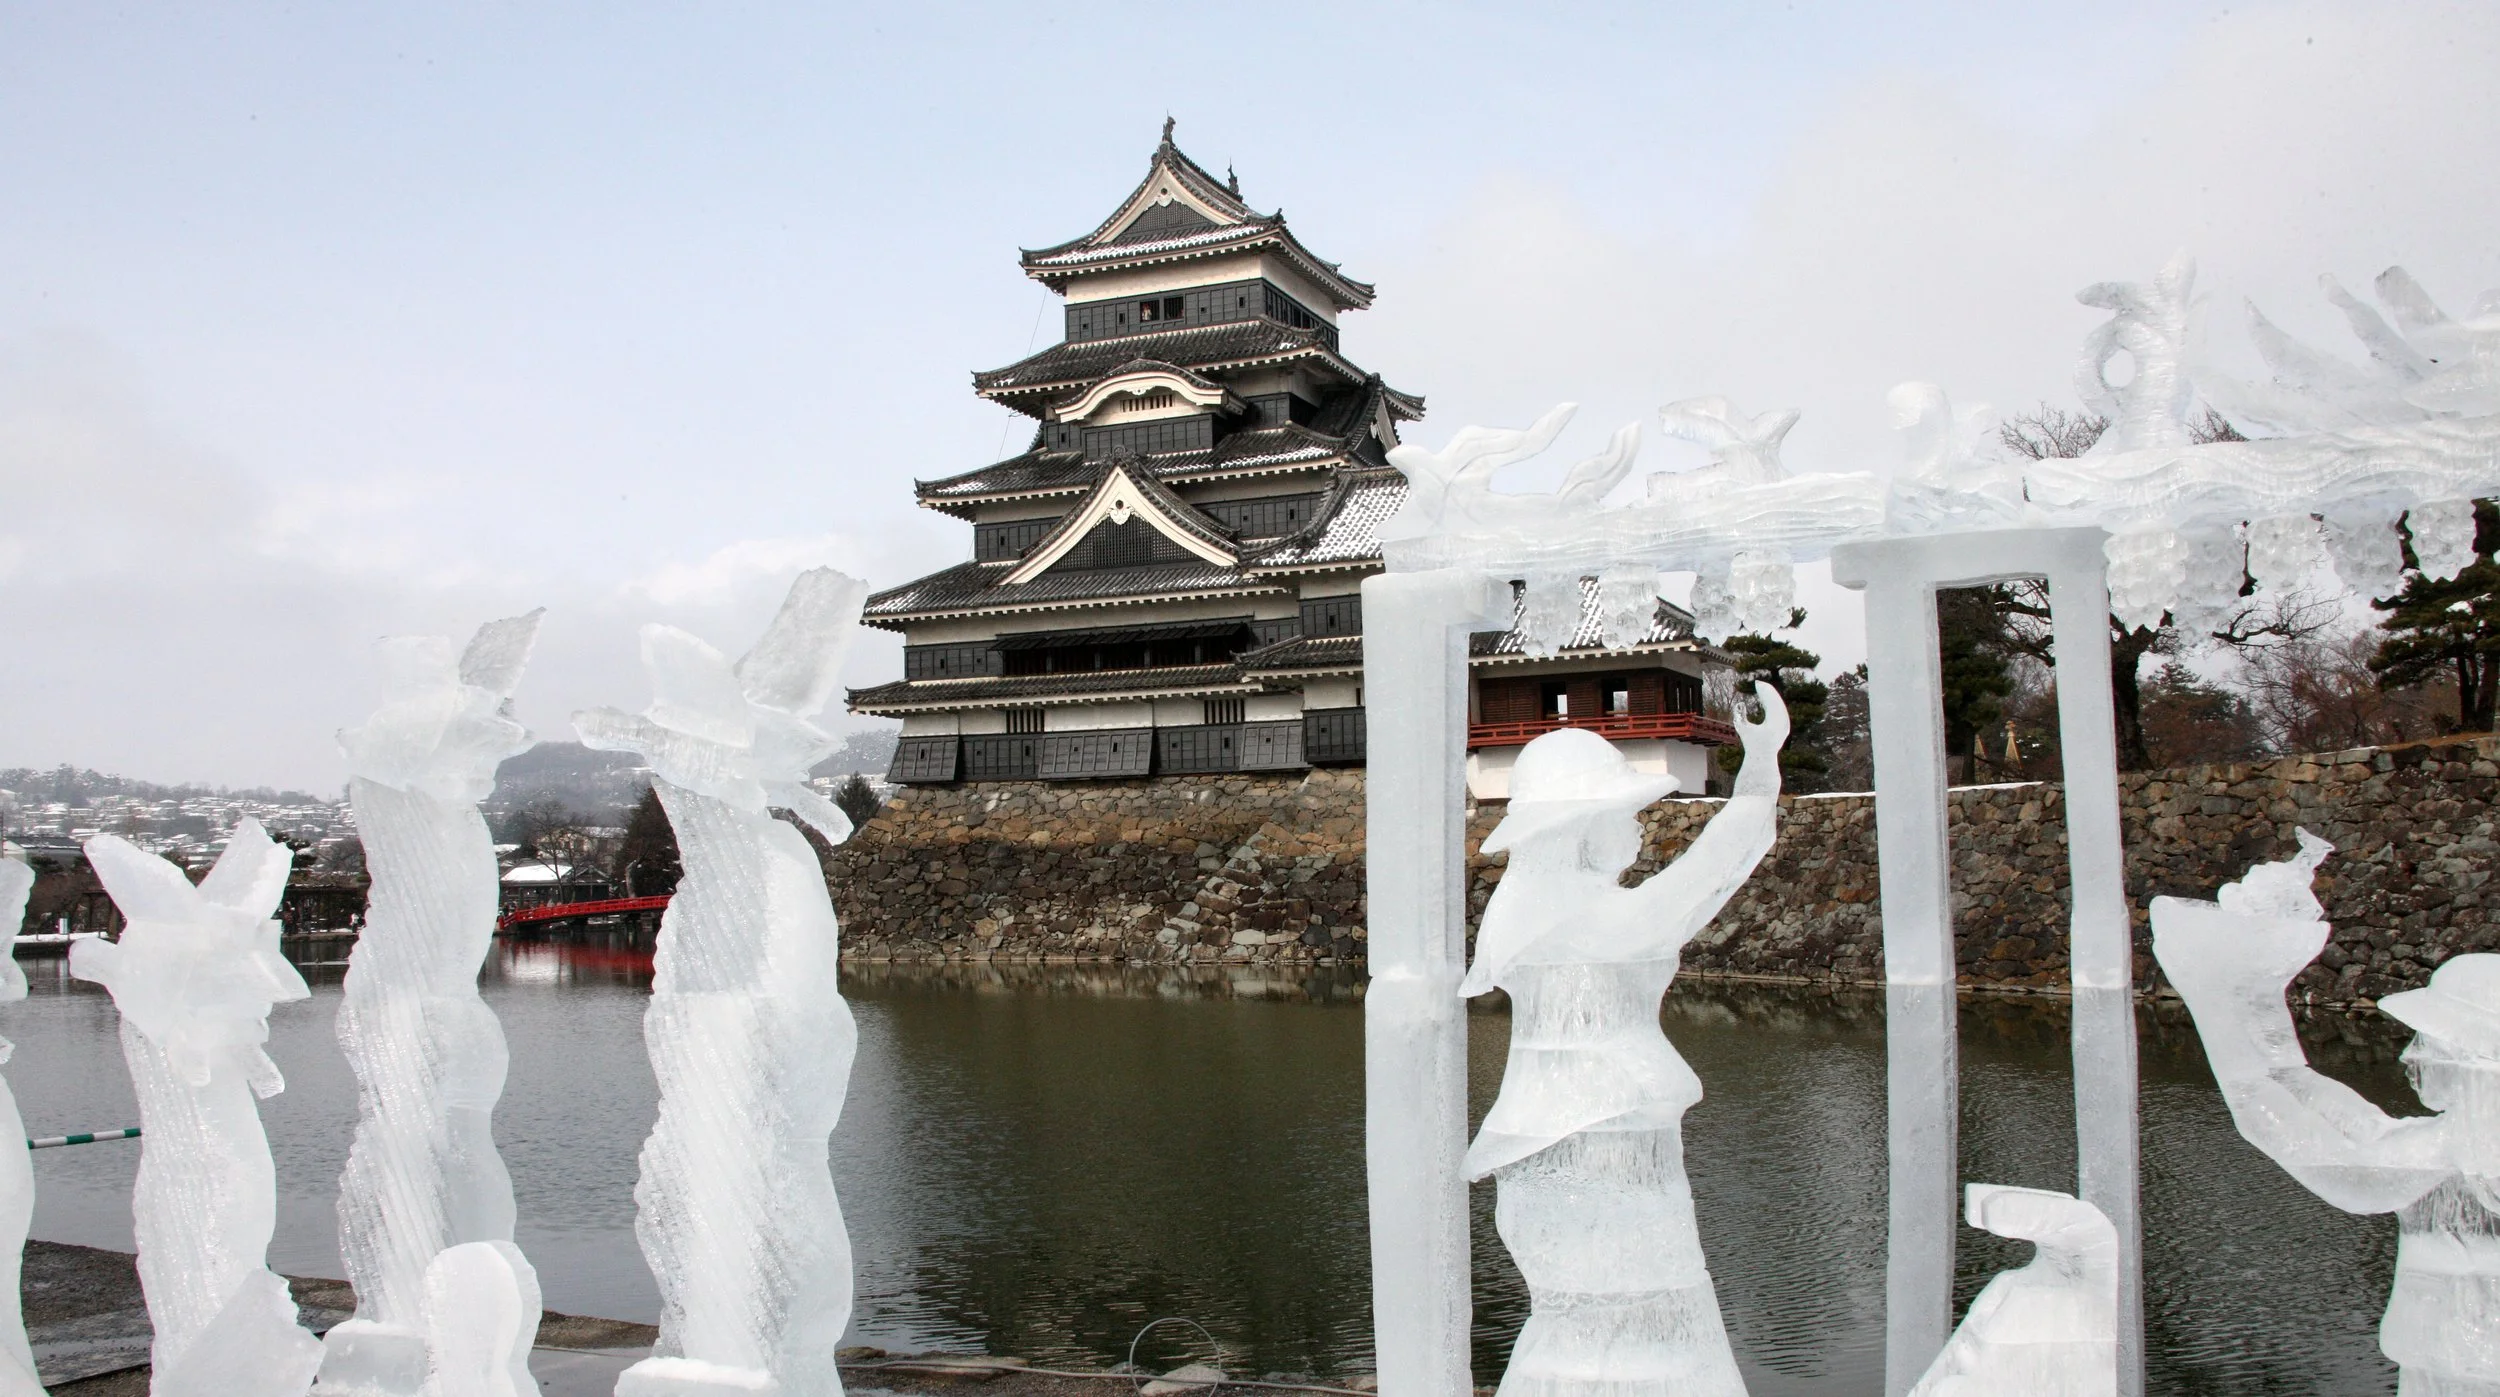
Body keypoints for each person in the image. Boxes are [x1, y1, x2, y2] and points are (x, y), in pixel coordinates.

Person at [1463, 682, 1787, 1397]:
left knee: (1594, 1326)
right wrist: (1757, 784)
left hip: (1577, 1141)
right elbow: (1699, 884)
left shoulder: (1525, 910)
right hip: (1597, 1146)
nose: (1639, 832)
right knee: (1637, 1312)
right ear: (1581, 827)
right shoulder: (1584, 922)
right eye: (1625, 816)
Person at [2152, 829, 2499, 1394]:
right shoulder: (2451, 1145)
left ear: (2481, 1063)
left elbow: (2340, 1162)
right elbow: (2310, 1098)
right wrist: (2253, 994)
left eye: (2434, 1042)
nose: (2412, 1054)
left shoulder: (2463, 1156)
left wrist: (2221, 994)